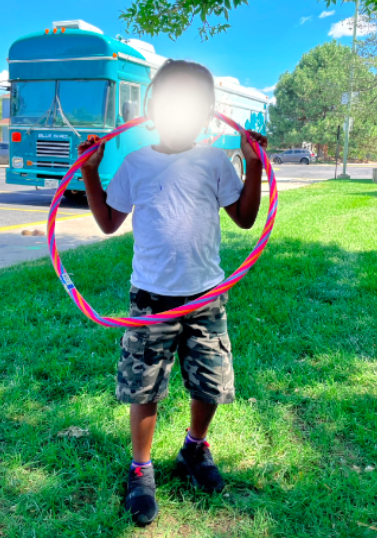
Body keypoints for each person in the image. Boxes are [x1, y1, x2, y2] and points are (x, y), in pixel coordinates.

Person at [78, 59, 267, 527]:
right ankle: (141, 469)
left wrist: (253, 166)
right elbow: (107, 222)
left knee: (210, 382)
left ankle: (194, 447)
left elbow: (244, 218)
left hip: (205, 295)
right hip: (151, 298)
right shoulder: (136, 163)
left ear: (206, 112)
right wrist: (90, 173)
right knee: (145, 387)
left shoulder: (213, 160)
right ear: (153, 108)